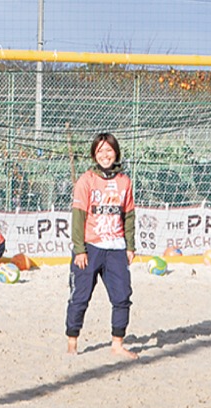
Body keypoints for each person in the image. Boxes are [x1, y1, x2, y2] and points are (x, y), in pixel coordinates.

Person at [65, 132, 138, 359]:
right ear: (94, 155)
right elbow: (78, 217)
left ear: (116, 152)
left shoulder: (124, 181)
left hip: (116, 248)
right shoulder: (86, 181)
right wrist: (79, 249)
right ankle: (72, 342)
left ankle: (117, 344)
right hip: (90, 247)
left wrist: (130, 246)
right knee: (80, 297)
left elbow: (128, 216)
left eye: (109, 150)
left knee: (122, 296)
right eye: (100, 151)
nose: (105, 155)